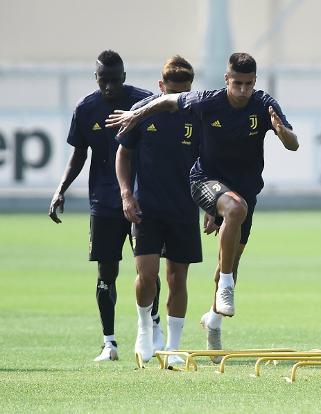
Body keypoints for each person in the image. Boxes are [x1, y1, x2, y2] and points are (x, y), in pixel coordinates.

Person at [106, 52, 298, 362]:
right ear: (226, 79)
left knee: (230, 258)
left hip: (244, 192)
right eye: (237, 83)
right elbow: (167, 102)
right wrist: (135, 115)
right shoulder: (208, 101)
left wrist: (281, 130)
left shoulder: (263, 105)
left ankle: (213, 319)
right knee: (233, 214)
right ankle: (218, 292)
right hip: (203, 182)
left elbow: (293, 144)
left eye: (248, 84)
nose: (242, 91)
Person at [48, 50, 164, 362]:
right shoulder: (86, 108)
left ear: (124, 77)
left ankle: (154, 330)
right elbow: (78, 156)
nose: (110, 86)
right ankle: (109, 343)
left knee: (148, 270)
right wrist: (60, 190)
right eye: (104, 80)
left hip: (142, 199)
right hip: (103, 203)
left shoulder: (144, 102)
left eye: (115, 80)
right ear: (96, 78)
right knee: (106, 272)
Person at [115, 55, 202, 365]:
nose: (178, 98)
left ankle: (174, 346)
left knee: (178, 278)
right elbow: (123, 155)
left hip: (184, 208)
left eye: (185, 91)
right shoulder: (142, 112)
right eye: (173, 91)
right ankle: (144, 330)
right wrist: (126, 194)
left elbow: (210, 163)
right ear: (161, 85)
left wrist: (210, 206)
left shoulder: (198, 114)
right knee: (147, 275)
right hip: (147, 207)